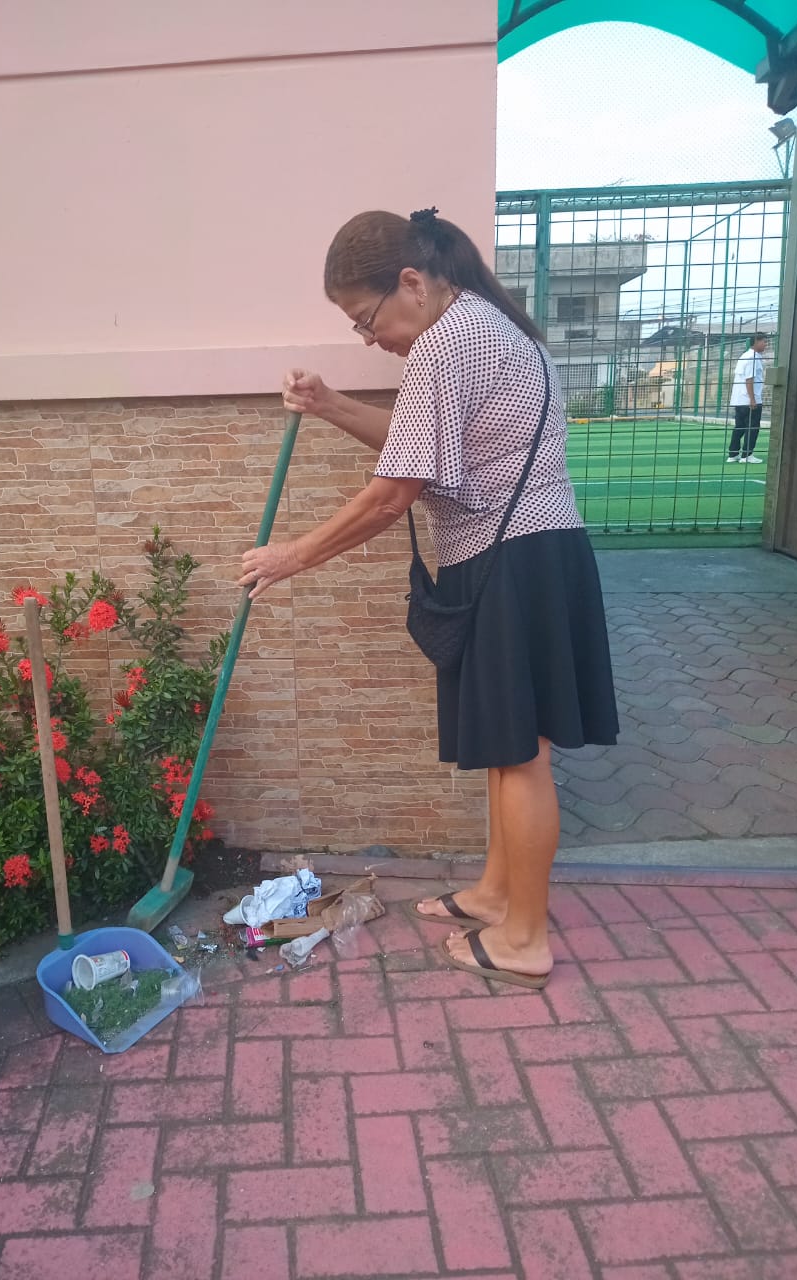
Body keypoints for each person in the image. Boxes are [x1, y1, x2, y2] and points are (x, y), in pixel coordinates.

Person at [239, 208, 619, 988]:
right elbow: (419, 440)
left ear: (411, 282)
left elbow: (392, 494)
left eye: (365, 318)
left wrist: (291, 556)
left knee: (522, 757)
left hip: (513, 563)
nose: (368, 338)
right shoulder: (484, 326)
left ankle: (524, 939)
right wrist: (330, 403)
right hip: (531, 557)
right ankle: (496, 894)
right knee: (510, 750)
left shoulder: (448, 343)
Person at [726, 333, 767, 463]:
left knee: (740, 427)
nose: (765, 344)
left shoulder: (745, 356)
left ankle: (733, 454)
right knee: (752, 427)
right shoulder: (752, 358)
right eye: (764, 342)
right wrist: (752, 399)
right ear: (756, 342)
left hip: (739, 399)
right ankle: (747, 455)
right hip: (749, 399)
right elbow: (749, 379)